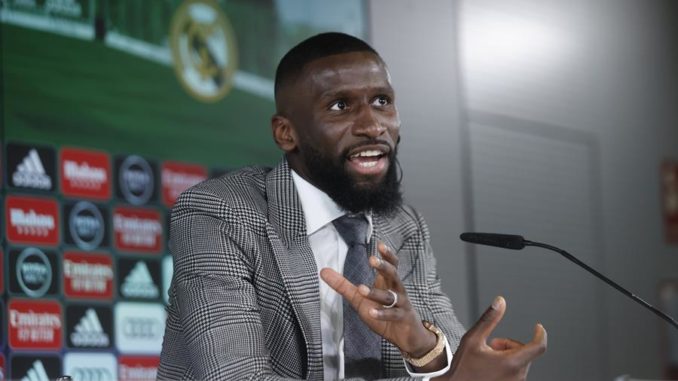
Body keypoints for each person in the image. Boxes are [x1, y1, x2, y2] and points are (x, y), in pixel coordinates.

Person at [158, 32, 546, 380]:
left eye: (382, 101)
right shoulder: (218, 212)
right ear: (286, 133)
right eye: (341, 106)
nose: (373, 125)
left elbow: (452, 362)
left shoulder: (402, 226)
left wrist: (422, 346)